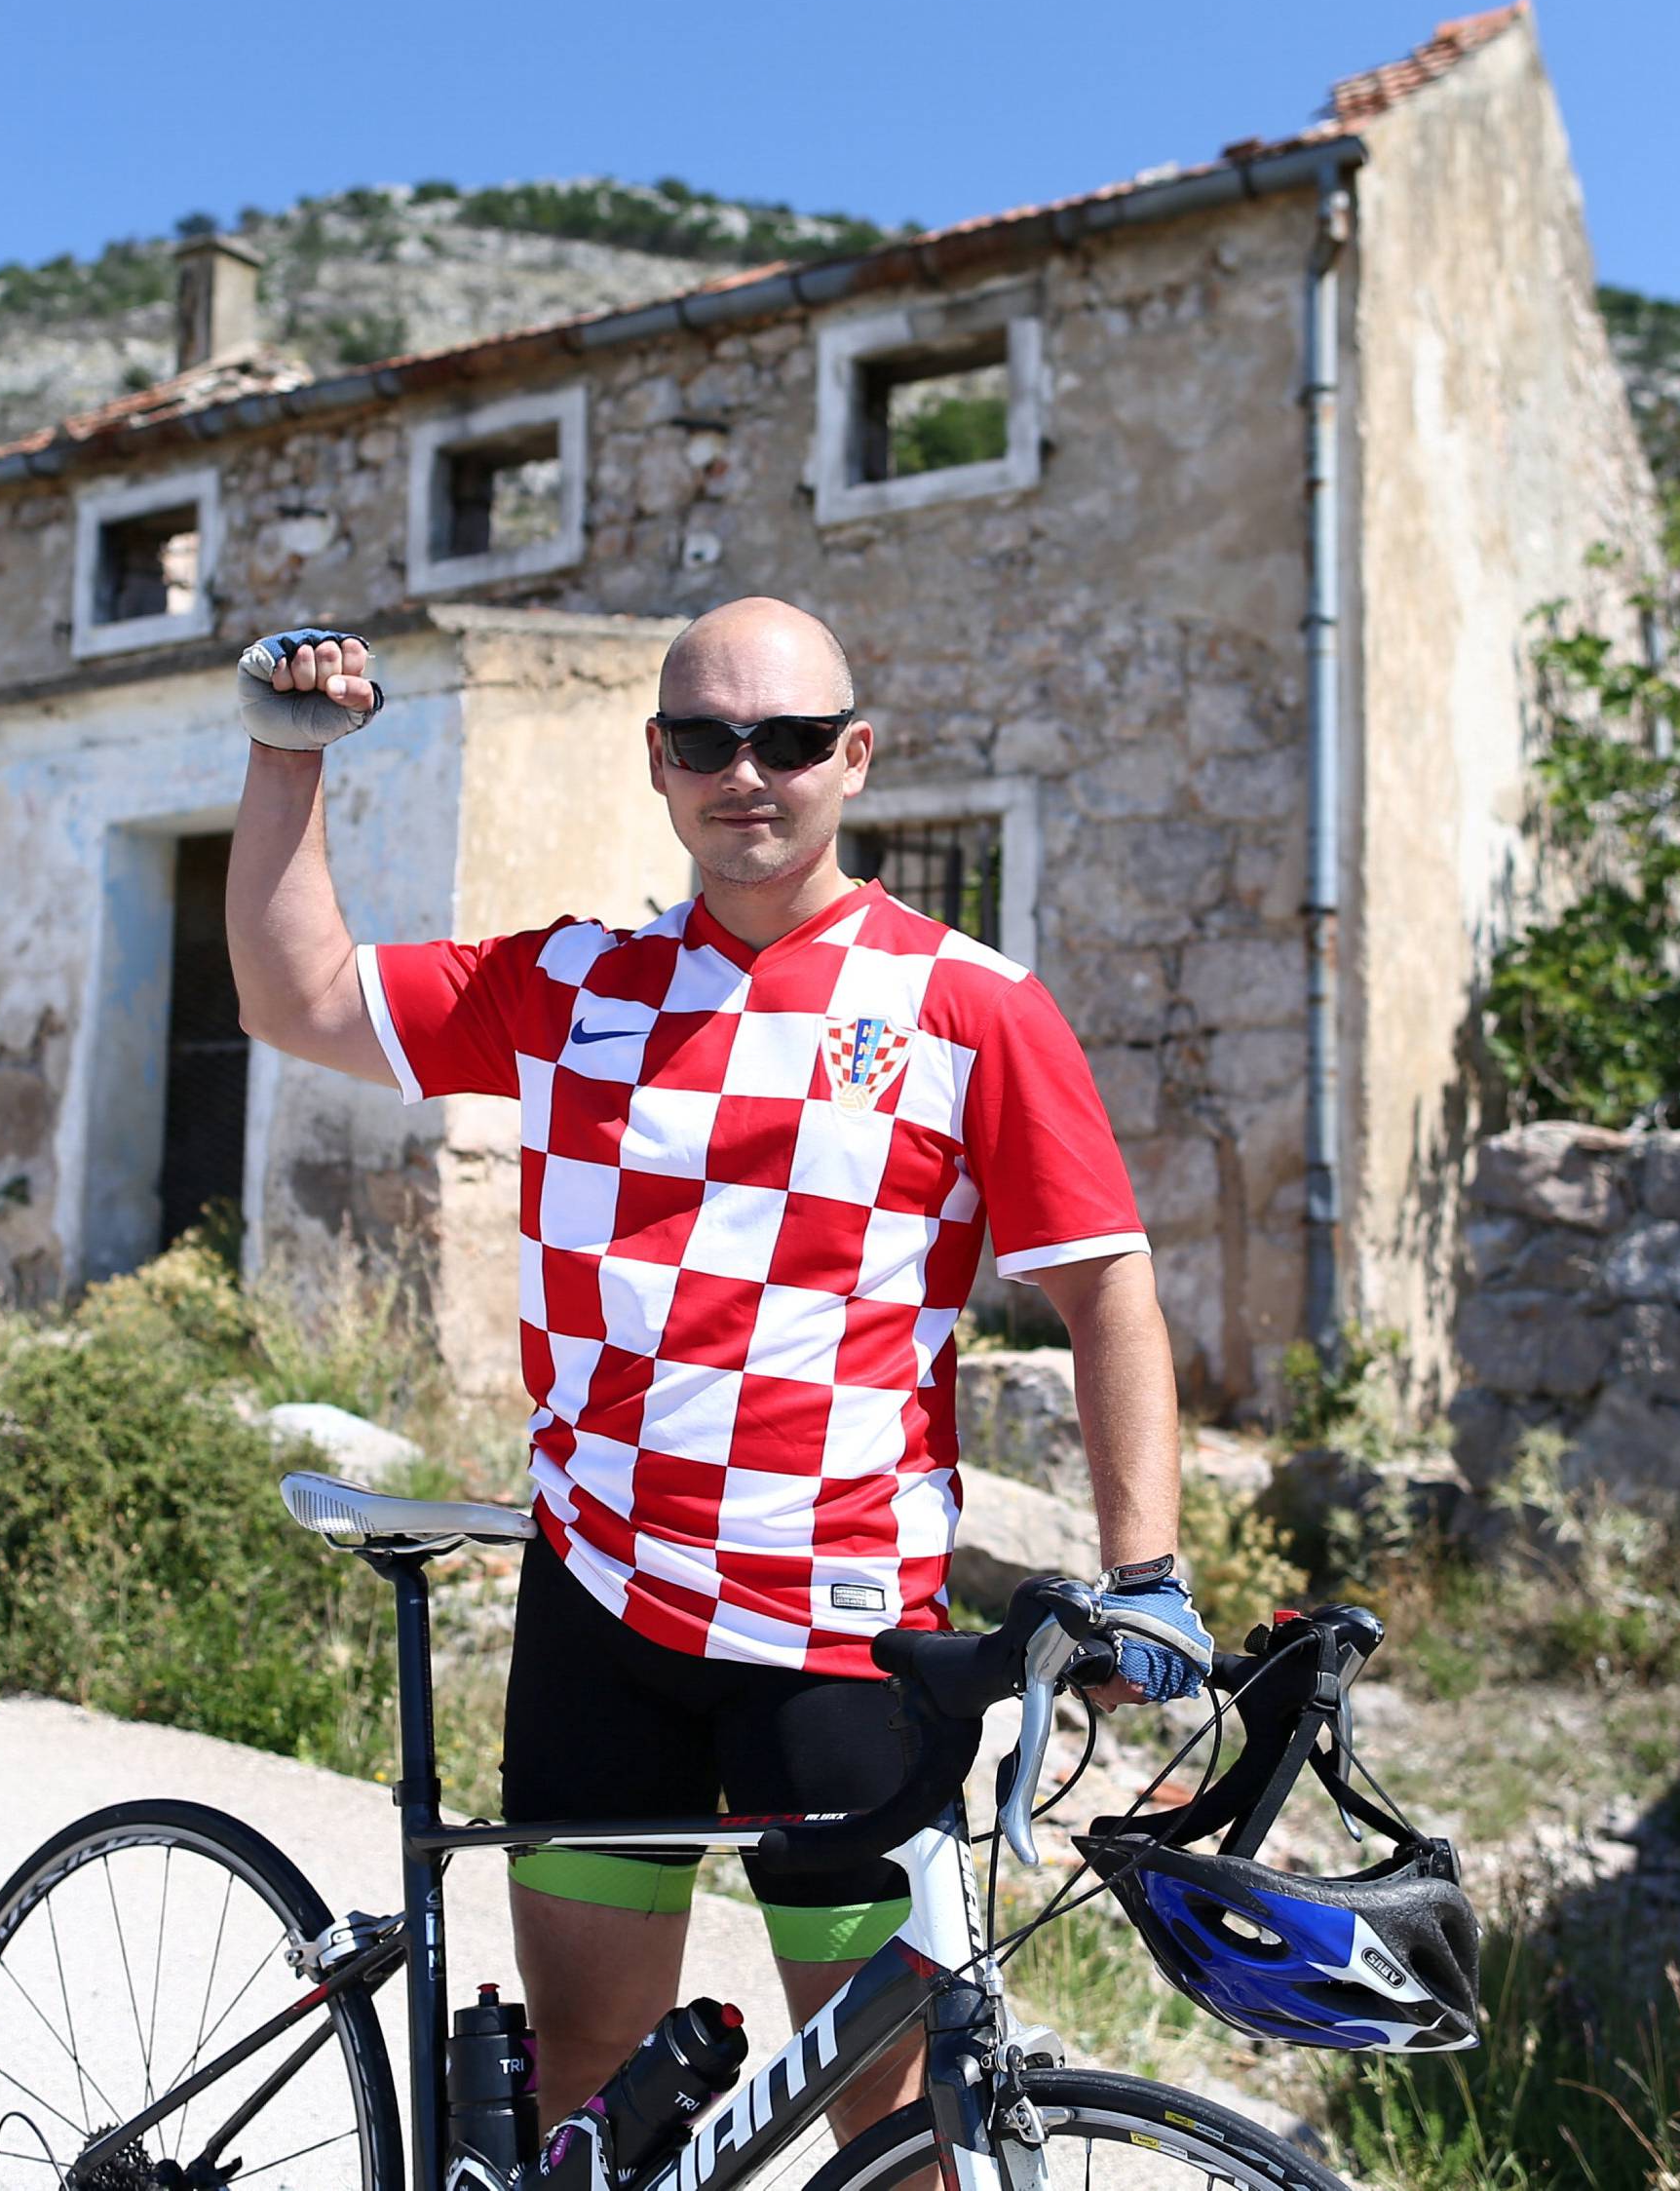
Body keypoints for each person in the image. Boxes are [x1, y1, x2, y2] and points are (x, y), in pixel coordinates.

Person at [225, 597, 1208, 2145]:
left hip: (839, 1650)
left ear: (856, 758)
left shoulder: (970, 1006)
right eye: (706, 740)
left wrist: (1142, 1570)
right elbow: (297, 1000)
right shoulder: (578, 987)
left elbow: (1108, 1291)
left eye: (792, 741)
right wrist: (289, 762)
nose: (748, 775)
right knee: (590, 2108)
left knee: (892, 2142)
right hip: (599, 1617)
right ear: (659, 761)